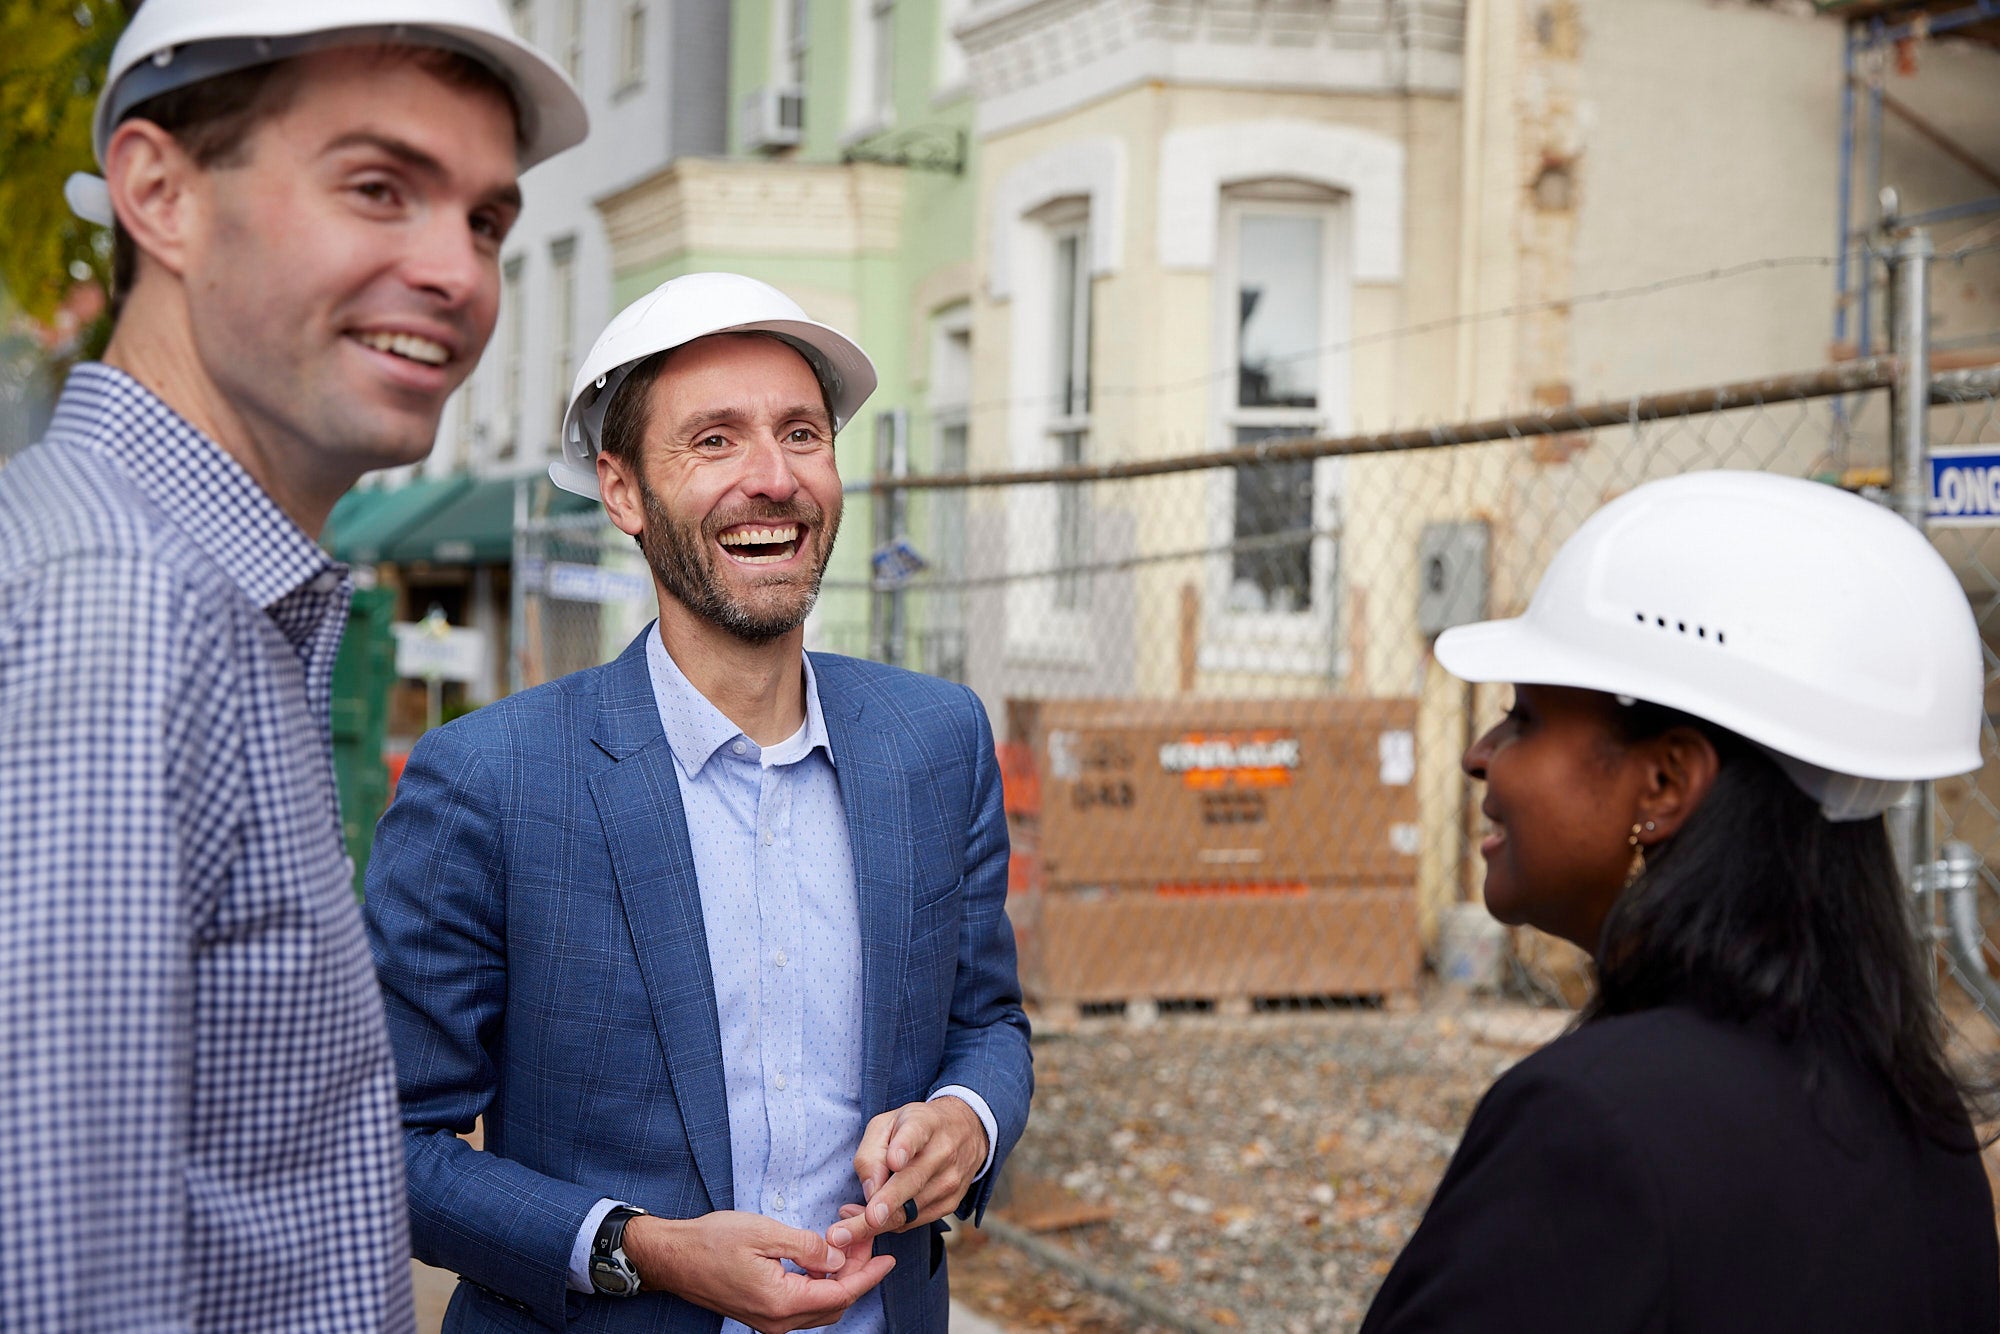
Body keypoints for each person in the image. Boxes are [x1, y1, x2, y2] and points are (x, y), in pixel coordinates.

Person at [0, 3, 585, 1328]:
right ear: (161, 192)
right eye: (379, 187)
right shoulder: (128, 611)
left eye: (486, 220)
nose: (457, 271)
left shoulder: (191, 589)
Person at [364, 272, 1034, 1334]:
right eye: (713, 440)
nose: (771, 477)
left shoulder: (936, 741)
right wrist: (641, 1249)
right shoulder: (487, 783)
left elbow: (986, 1021)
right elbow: (389, 1147)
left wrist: (968, 1115)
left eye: (800, 432)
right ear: (622, 489)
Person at [1359, 470, 1997, 1333]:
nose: (1481, 754)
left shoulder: (1592, 1125)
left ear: (1664, 781)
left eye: (1525, 717)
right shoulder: (1920, 1120)